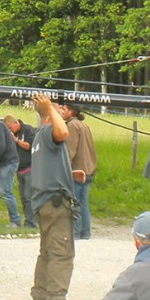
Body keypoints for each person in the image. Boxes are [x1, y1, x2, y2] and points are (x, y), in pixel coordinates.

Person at [29, 94, 84, 300]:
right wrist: (49, 109)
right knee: (62, 252)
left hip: (43, 200)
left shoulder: (38, 138)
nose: (62, 109)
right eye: (58, 107)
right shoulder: (50, 132)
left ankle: (40, 299)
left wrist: (69, 175)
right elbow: (63, 132)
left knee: (46, 253)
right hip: (55, 202)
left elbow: (46, 168)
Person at [60, 103, 97, 240]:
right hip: (88, 169)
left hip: (77, 170)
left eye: (64, 109)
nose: (62, 111)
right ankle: (85, 232)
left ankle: (75, 232)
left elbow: (70, 150)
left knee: (74, 202)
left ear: (71, 111)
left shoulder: (71, 126)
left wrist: (65, 169)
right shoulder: (83, 125)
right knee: (83, 202)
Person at [3, 114, 37, 229]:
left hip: (30, 169)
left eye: (10, 128)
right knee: (23, 198)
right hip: (19, 169)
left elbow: (30, 146)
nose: (9, 130)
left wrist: (16, 141)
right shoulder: (13, 134)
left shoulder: (28, 130)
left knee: (29, 197)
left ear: (16, 123)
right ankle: (27, 221)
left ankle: (31, 223)